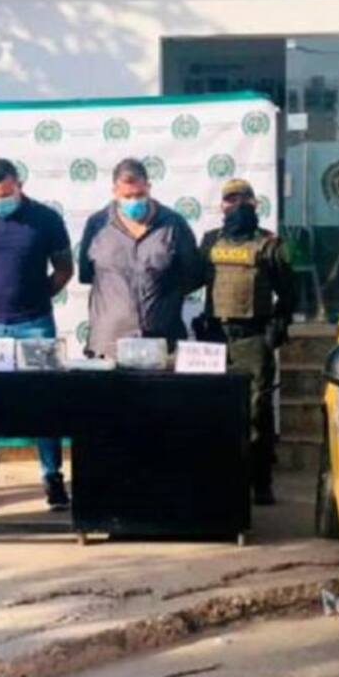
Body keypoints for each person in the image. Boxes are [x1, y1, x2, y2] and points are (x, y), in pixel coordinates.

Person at [0, 158, 74, 510]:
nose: (0, 202)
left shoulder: (46, 219)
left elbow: (64, 268)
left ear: (19, 185)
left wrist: (37, 296)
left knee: (45, 401)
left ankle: (53, 478)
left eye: (6, 195)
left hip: (36, 324)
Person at [195, 178, 295, 505]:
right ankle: (218, 478)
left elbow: (289, 292)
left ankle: (260, 481)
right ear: (222, 205)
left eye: (244, 199)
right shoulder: (210, 241)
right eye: (231, 199)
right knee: (212, 409)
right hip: (214, 338)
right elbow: (191, 279)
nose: (237, 205)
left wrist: (278, 323)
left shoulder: (269, 244)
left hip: (252, 337)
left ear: (255, 204)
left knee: (256, 412)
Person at [78, 158, 200, 359]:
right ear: (115, 192)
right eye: (127, 196)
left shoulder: (173, 224)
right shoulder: (97, 225)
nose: (134, 201)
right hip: (108, 345)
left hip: (162, 343)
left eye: (140, 195)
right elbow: (87, 274)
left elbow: (193, 275)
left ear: (149, 188)